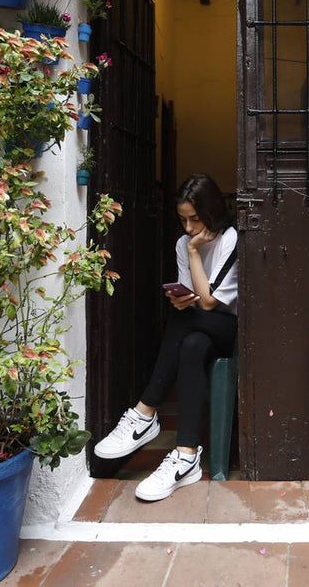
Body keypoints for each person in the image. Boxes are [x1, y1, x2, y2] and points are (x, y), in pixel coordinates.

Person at [93, 173, 239, 501]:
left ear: (211, 211)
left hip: (227, 328)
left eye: (195, 219)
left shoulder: (229, 237)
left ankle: (144, 412)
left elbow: (210, 301)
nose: (188, 228)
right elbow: (191, 297)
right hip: (198, 331)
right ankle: (186, 455)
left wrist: (194, 254)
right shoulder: (182, 243)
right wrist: (180, 297)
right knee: (191, 343)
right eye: (183, 219)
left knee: (184, 318)